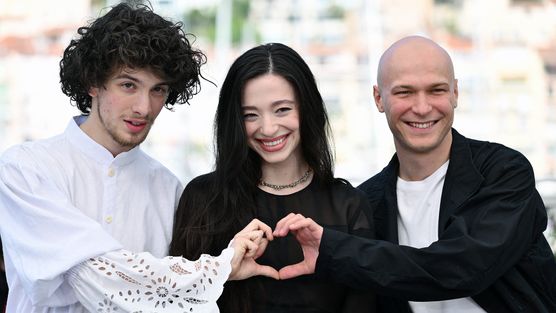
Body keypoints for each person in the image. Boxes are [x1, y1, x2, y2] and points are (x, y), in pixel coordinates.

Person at [0, 3, 277, 313]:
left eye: (158, 90)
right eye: (128, 85)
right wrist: (219, 268)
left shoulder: (169, 189)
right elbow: (95, 274)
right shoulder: (25, 169)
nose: (144, 107)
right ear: (93, 82)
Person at [273, 35, 556, 313]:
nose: (422, 108)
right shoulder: (365, 203)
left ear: (455, 93)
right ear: (378, 98)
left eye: (436, 90)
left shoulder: (503, 172)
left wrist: (334, 251)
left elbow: (462, 269)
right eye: (404, 92)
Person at [169, 42, 376, 313]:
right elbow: (174, 301)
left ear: (307, 108)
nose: (267, 128)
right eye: (250, 115)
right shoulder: (203, 198)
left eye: (282, 110)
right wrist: (220, 270)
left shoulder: (349, 205)